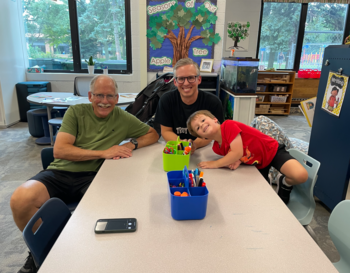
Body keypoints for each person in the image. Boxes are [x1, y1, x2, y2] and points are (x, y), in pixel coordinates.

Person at [11, 75, 159, 273]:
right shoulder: (76, 112)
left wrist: (131, 144)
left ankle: (92, 260)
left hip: (95, 176)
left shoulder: (122, 117)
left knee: (109, 215)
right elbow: (60, 150)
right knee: (20, 199)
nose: (104, 101)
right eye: (99, 95)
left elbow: (152, 134)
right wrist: (103, 152)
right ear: (90, 96)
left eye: (110, 96)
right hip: (60, 171)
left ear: (117, 98)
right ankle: (40, 252)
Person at [186, 110, 308, 204]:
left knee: (300, 175)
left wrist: (215, 163)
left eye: (202, 120)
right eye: (198, 128)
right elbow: (238, 149)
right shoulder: (216, 148)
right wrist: (238, 160)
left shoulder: (228, 125)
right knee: (261, 201)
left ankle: (285, 183)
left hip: (272, 150)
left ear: (214, 119)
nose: (201, 125)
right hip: (257, 164)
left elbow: (236, 152)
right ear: (201, 137)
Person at [154, 58, 224, 154]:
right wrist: (182, 145)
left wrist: (194, 145)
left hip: (205, 151)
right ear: (175, 82)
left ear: (199, 79)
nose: (186, 83)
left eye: (191, 78)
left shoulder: (213, 102)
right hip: (176, 149)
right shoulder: (166, 100)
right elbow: (165, 131)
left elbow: (215, 132)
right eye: (181, 79)